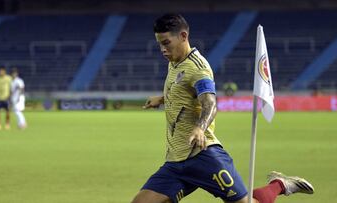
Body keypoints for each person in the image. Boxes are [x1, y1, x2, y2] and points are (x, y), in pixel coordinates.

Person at [131, 14, 314, 203]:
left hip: (203, 156)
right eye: (159, 44)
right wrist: (162, 99)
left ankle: (279, 184)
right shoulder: (174, 62)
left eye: (166, 43)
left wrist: (199, 128)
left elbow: (209, 102)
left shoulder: (198, 68)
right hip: (176, 161)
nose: (163, 49)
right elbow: (185, 93)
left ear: (183, 36)